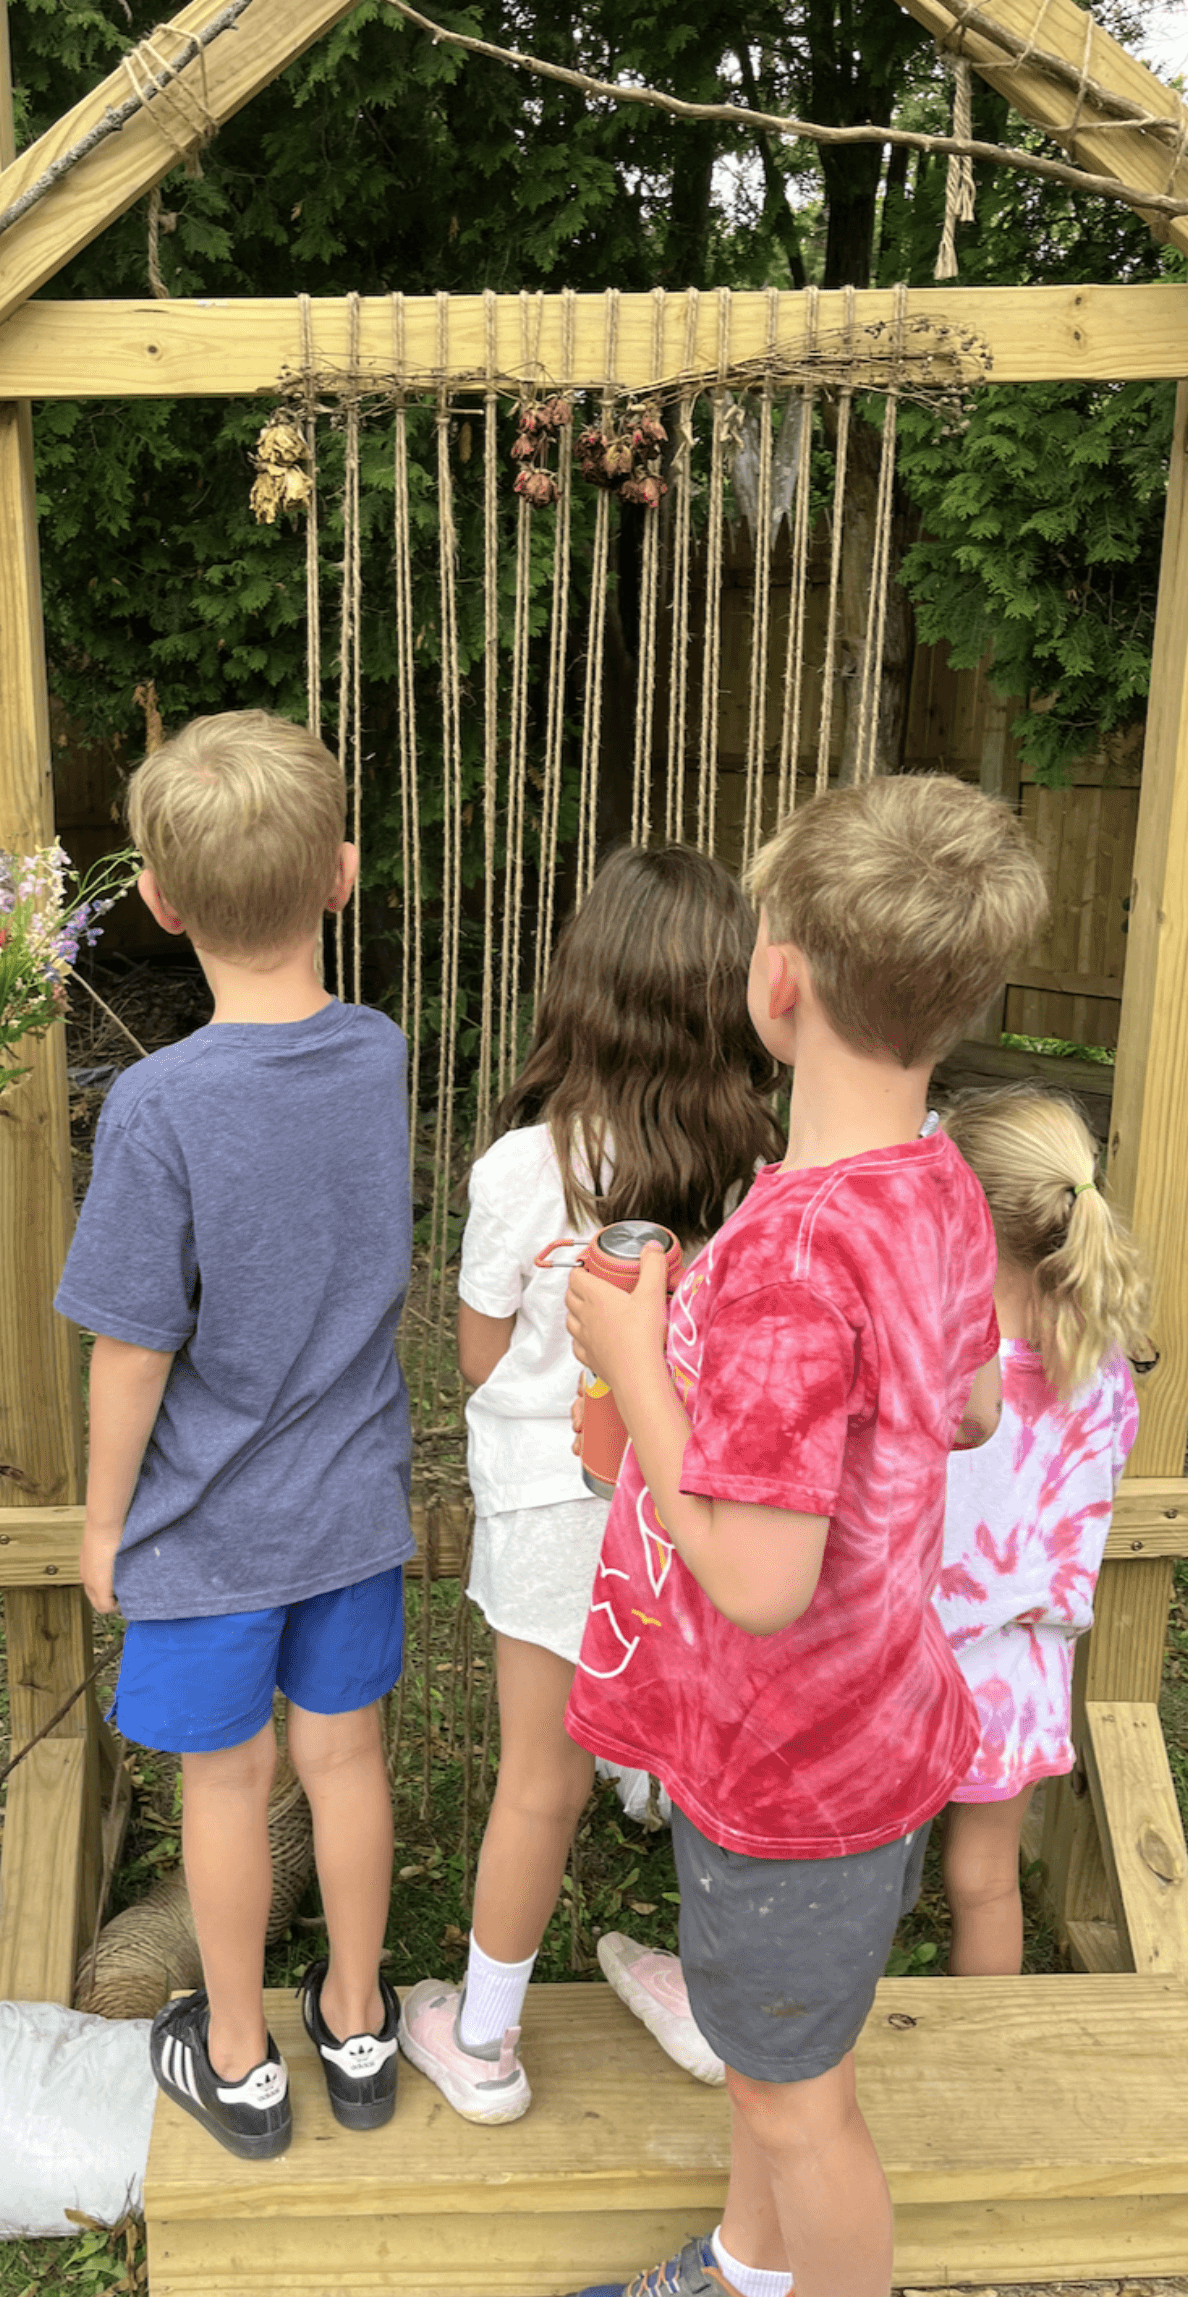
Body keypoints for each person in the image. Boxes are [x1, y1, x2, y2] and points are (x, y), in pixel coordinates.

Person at [552, 773, 1048, 2297]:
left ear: (776, 984)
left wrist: (641, 1357)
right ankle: (750, 2276)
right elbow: (970, 1405)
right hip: (887, 1726)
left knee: (797, 2101)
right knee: (781, 2062)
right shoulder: (937, 1185)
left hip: (789, 1767)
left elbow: (759, 1580)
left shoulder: (791, 1252)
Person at [57, 709, 413, 2161]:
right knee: (347, 1761)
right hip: (353, 1503)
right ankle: (361, 2019)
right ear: (341, 874)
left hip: (206, 1523)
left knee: (227, 1782)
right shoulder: (379, 1052)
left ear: (156, 900)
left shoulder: (158, 1104)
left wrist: (102, 1522)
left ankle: (240, 2055)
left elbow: (134, 1348)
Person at [398, 844, 780, 2123]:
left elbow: (476, 1353)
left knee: (538, 1779)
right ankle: (714, 2000)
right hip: (700, 1509)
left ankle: (483, 2041)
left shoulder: (521, 1168)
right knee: (706, 1765)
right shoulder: (759, 1170)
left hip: (552, 1512)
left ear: (580, 989)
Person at [933, 1085, 1150, 1976]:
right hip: (1025, 1667)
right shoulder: (1101, 1368)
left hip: (907, 1659)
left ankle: (836, 2038)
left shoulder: (939, 1364)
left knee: (854, 1870)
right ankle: (985, 2040)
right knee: (985, 1880)